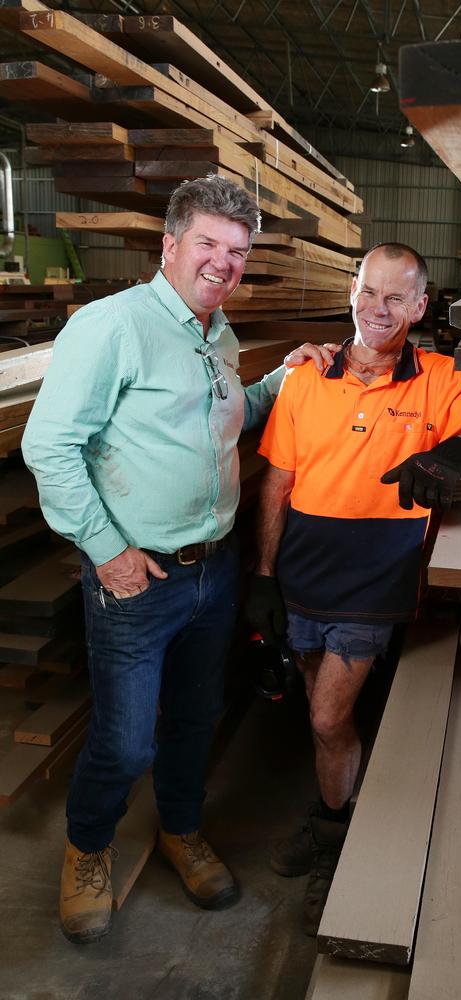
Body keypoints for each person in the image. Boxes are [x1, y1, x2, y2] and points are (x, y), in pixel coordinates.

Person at [21, 174, 338, 944]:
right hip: (139, 577)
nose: (225, 263)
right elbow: (48, 446)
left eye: (238, 251)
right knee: (127, 739)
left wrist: (279, 381)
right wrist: (108, 552)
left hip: (213, 568)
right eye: (209, 244)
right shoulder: (113, 327)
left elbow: (224, 419)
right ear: (170, 245)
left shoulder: (214, 330)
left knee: (197, 715)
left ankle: (181, 828)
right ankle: (89, 848)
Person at [246, 242, 461, 934]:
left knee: (323, 717)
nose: (380, 309)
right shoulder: (306, 377)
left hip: (377, 580)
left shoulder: (437, 379)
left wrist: (455, 450)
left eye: (397, 297)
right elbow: (278, 484)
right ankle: (336, 813)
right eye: (370, 292)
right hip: (302, 575)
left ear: (420, 306)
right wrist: (261, 578)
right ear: (352, 291)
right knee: (318, 708)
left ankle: (333, 835)